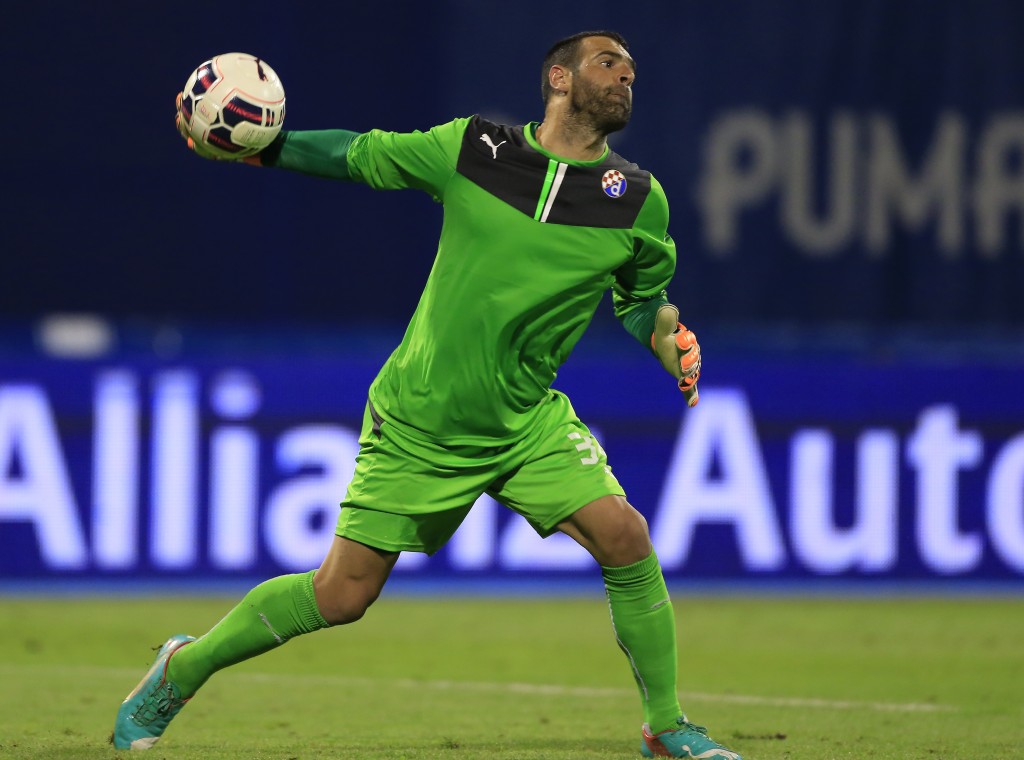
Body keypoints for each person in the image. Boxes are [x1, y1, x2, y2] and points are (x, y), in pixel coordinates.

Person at [112, 30, 740, 759]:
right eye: (608, 63)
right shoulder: (475, 149)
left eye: (631, 70)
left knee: (625, 535)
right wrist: (259, 149)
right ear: (559, 79)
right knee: (342, 596)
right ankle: (182, 669)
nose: (625, 75)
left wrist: (667, 337)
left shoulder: (636, 199)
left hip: (524, 421)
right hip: (421, 418)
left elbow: (641, 300)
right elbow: (359, 155)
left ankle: (665, 725)